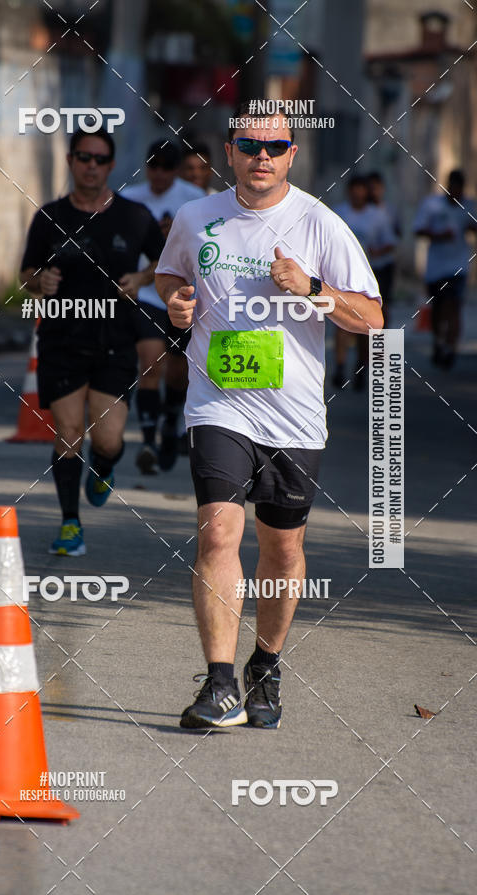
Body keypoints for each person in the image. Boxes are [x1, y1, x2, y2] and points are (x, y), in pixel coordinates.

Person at [155, 102, 383, 729]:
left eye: (275, 147)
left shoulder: (319, 223)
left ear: (291, 156)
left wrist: (312, 289)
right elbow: (168, 273)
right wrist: (175, 301)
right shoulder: (196, 215)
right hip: (218, 401)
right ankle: (220, 682)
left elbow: (373, 319)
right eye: (249, 145)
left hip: (294, 415)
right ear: (228, 151)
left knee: (282, 552)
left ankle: (266, 664)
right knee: (218, 533)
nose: (262, 157)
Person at [20, 127, 164, 556]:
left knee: (108, 440)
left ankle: (103, 467)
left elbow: (165, 259)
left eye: (100, 159)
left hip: (115, 343)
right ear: (70, 161)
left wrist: (141, 278)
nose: (91, 166)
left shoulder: (135, 216)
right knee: (67, 432)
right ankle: (69, 524)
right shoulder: (49, 216)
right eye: (84, 157)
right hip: (62, 340)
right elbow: (26, 273)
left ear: (111, 166)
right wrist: (38, 281)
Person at [121, 141, 205, 474]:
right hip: (148, 295)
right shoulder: (131, 198)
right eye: (153, 167)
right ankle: (148, 441)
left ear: (176, 169)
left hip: (184, 295)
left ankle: (171, 421)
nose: (158, 175)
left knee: (178, 371)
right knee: (150, 365)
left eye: (166, 168)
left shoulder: (195, 200)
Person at [333, 175, 396, 389]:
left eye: (361, 191)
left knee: (365, 327)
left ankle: (361, 367)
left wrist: (376, 251)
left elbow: (390, 243)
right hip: (343, 277)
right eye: (353, 190)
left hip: (373, 275)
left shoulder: (377, 216)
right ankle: (340, 368)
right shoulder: (338, 213)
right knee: (341, 323)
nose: (357, 195)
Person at [414, 169, 477, 369]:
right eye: (453, 187)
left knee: (454, 305)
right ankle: (438, 343)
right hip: (436, 267)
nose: (456, 192)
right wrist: (438, 235)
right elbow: (418, 229)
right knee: (439, 307)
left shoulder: (469, 207)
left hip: (458, 266)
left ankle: (451, 348)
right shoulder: (432, 205)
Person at [366, 171, 400, 328]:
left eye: (376, 188)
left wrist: (379, 251)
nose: (373, 192)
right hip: (367, 267)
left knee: (385, 306)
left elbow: (396, 236)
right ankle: (369, 351)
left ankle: (388, 349)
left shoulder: (389, 210)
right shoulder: (360, 211)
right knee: (367, 309)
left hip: (385, 265)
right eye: (370, 188)